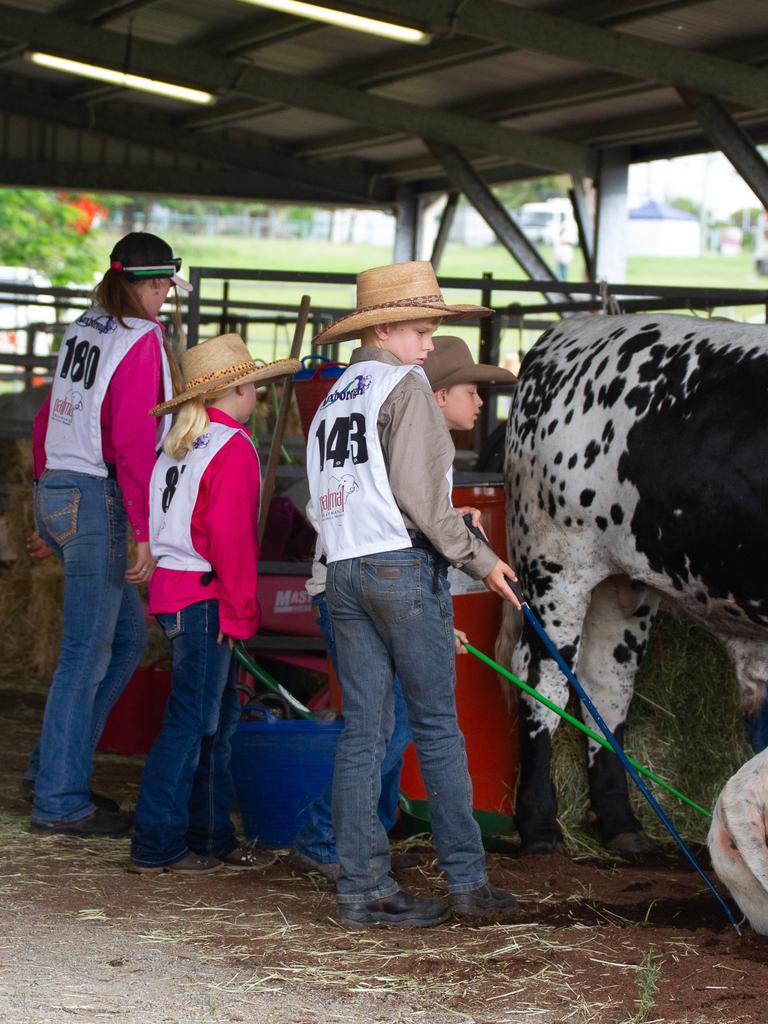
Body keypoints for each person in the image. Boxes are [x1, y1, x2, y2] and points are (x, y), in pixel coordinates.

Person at [306, 260, 521, 929]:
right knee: (435, 728)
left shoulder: (336, 398)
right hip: (399, 568)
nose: (431, 344)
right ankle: (468, 880)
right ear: (389, 327)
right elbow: (425, 505)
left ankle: (362, 887)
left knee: (363, 733)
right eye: (424, 329)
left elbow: (332, 501)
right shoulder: (408, 389)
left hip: (343, 570)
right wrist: (482, 560)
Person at [25, 232, 189, 838]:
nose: (162, 295)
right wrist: (145, 531)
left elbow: (49, 415)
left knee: (120, 639)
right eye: (156, 284)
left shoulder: (84, 329)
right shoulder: (139, 339)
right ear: (136, 284)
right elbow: (130, 441)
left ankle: (52, 768)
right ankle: (60, 800)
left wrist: (44, 506)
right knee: (86, 655)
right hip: (97, 495)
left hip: (60, 485)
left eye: (165, 284)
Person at [129, 334, 299, 874]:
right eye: (257, 388)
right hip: (207, 597)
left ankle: (208, 831)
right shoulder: (232, 446)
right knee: (193, 722)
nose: (261, 398)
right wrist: (241, 610)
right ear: (241, 390)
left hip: (177, 592)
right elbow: (232, 540)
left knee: (215, 718)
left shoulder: (179, 444)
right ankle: (157, 841)